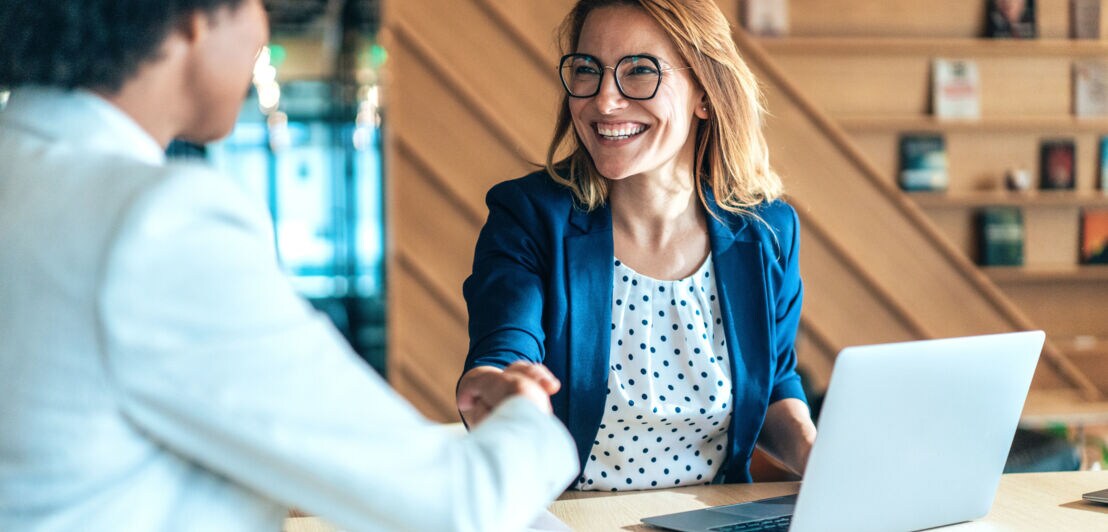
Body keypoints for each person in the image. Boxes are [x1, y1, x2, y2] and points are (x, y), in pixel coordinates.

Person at [0, 1, 577, 530]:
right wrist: (529, 421)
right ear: (193, 19)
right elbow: (459, 505)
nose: (263, 30)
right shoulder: (156, 223)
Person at [456, 0, 817, 491]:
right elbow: (504, 347)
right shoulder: (528, 216)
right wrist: (498, 387)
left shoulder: (768, 230)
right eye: (588, 70)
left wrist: (819, 458)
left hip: (715, 520)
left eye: (640, 71)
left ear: (706, 93)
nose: (604, 101)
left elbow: (775, 384)